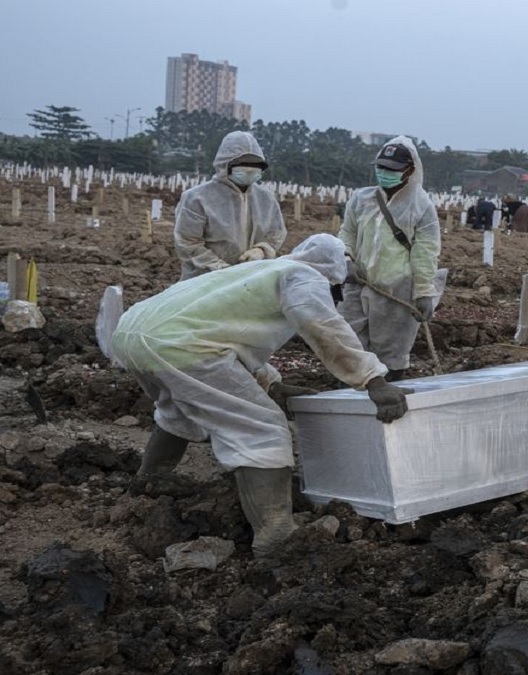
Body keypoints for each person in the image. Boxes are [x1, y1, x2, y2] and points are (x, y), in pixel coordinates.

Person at [111, 234, 409, 557]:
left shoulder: (266, 270)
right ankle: (275, 536)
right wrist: (373, 380)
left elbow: (228, 335)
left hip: (132, 333)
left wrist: (272, 384)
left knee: (178, 409)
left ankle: (147, 483)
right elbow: (323, 326)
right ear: (334, 274)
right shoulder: (305, 277)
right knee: (262, 429)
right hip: (178, 345)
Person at [338, 137, 442, 381]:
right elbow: (348, 232)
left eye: (392, 170)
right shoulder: (361, 198)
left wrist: (424, 291)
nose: (384, 173)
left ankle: (388, 394)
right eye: (381, 167)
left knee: (391, 351)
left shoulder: (421, 206)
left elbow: (425, 250)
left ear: (409, 171)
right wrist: (346, 258)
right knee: (350, 344)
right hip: (358, 283)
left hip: (397, 290)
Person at [174, 131, 287, 281]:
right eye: (242, 165)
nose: (249, 170)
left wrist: (261, 250)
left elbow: (275, 233)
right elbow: (188, 242)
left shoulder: (266, 199)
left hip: (252, 279)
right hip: (204, 281)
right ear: (224, 165)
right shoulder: (197, 198)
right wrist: (219, 268)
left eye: (254, 166)